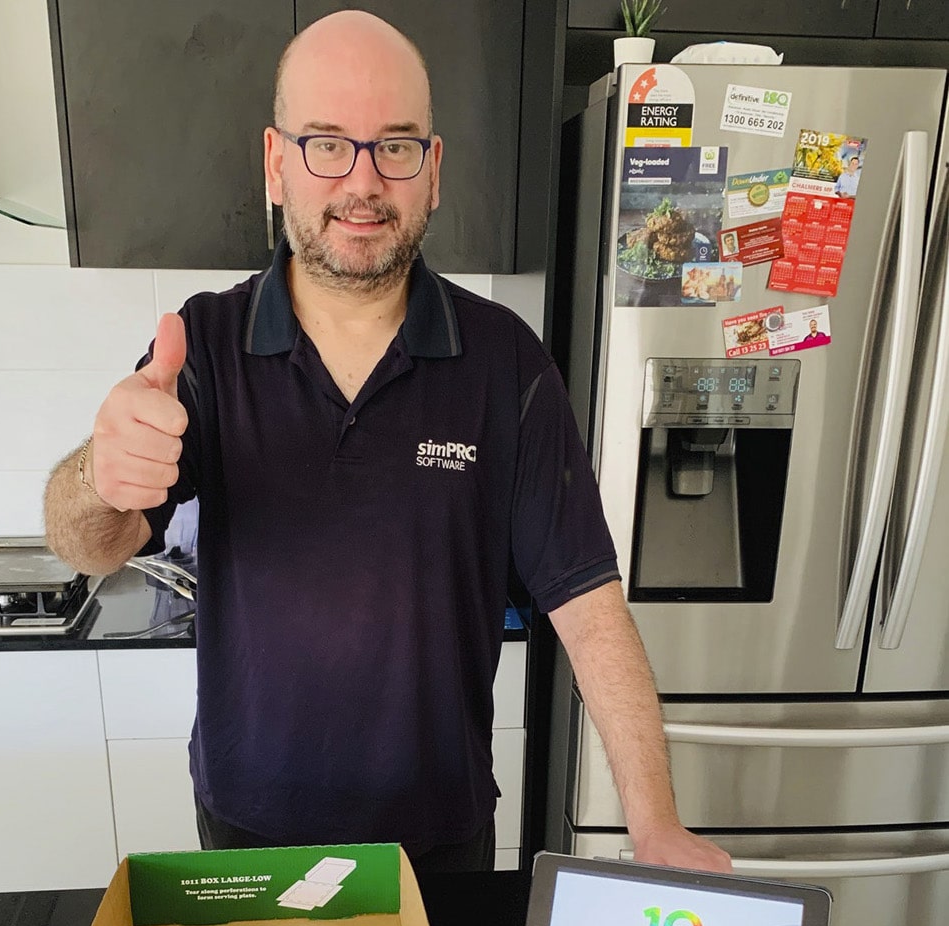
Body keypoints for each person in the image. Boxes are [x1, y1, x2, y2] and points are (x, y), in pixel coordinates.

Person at [44, 9, 731, 877]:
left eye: (396, 146)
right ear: (275, 162)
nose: (361, 181)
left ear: (433, 170)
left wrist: (656, 822)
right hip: (250, 835)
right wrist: (100, 480)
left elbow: (589, 611)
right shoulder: (203, 348)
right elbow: (90, 546)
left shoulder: (505, 361)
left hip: (436, 844)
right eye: (326, 142)